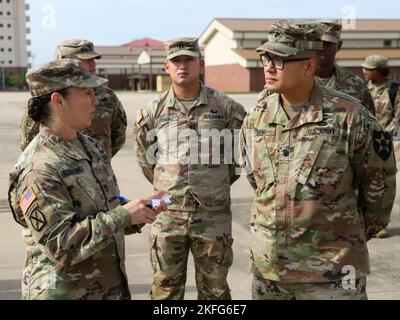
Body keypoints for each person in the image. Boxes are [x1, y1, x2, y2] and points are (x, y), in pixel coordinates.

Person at [240, 20, 396, 300]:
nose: (269, 66)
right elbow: (258, 181)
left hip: (333, 272)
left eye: (280, 59)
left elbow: (379, 190)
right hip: (270, 271)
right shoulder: (256, 118)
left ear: (308, 66)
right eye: (266, 57)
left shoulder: (350, 117)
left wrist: (346, 236)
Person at [8, 59, 167, 300]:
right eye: (86, 93)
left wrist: (136, 211)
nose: (95, 101)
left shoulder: (89, 147)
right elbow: (59, 244)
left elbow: (99, 209)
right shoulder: (39, 169)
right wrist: (123, 215)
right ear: (58, 101)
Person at [134, 38, 246, 300]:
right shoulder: (153, 112)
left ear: (201, 65)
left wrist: (212, 185)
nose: (182, 66)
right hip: (167, 214)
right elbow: (146, 159)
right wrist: (170, 186)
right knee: (165, 290)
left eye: (189, 60)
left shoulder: (226, 108)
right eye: (176, 62)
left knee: (215, 290)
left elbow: (238, 159)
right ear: (167, 67)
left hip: (212, 216)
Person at [20, 39, 127, 161]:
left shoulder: (108, 96)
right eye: (85, 60)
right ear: (63, 61)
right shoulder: (45, 101)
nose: (93, 64)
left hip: (98, 171)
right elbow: (28, 141)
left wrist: (96, 161)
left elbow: (118, 135)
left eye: (94, 59)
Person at [362, 55, 400, 238]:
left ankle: (381, 224)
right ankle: (364, 221)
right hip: (362, 141)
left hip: (384, 144)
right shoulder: (361, 89)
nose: (365, 71)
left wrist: (382, 134)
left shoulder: (394, 90)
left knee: (384, 185)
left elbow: (398, 118)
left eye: (369, 69)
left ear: (380, 71)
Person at [315, 20, 375, 114]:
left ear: (338, 46)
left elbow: (369, 124)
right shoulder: (295, 81)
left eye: (328, 44)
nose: (322, 48)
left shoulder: (356, 85)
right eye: (318, 43)